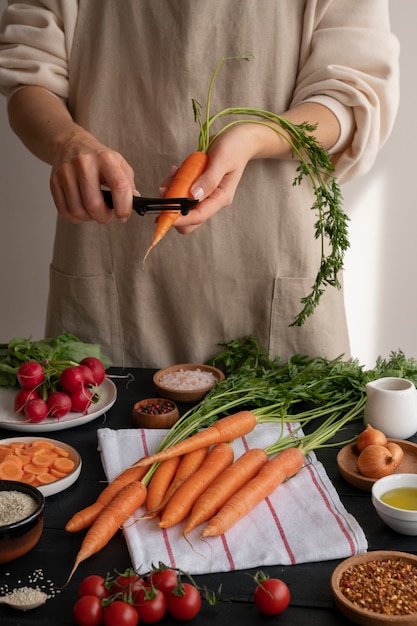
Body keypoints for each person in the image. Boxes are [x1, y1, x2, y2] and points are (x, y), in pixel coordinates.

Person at [0, 1, 400, 368]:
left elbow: (350, 97)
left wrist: (254, 137)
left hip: (273, 260)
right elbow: (28, 72)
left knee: (295, 439)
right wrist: (67, 142)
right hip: (108, 265)